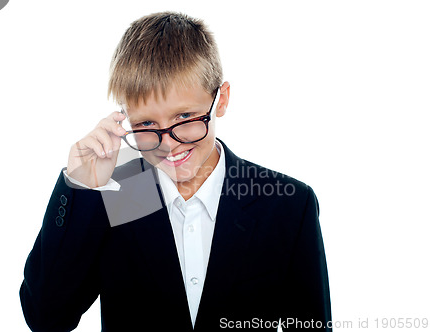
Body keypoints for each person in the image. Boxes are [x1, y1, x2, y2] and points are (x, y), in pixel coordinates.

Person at [20, 11, 332, 332]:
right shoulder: (116, 197)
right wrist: (80, 185)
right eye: (146, 124)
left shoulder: (288, 206)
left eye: (185, 117)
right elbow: (46, 318)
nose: (168, 145)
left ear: (220, 100)